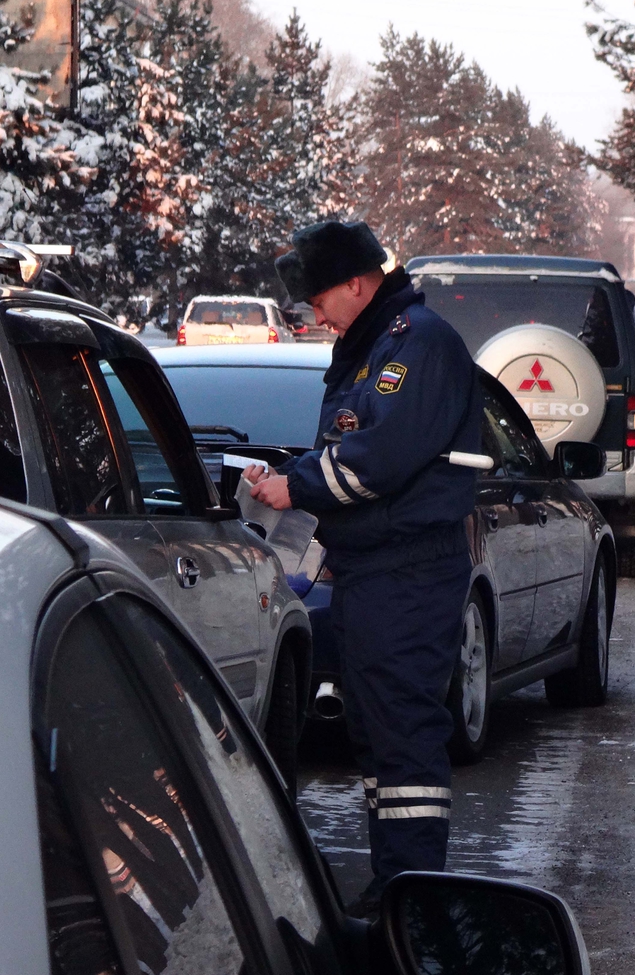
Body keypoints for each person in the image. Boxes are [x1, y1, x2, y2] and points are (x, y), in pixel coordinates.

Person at [244, 220, 481, 914]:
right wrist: (287, 474)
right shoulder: (372, 341)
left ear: (356, 281)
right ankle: (396, 885)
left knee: (402, 738)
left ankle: (412, 898)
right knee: (377, 735)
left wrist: (299, 485)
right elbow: (348, 444)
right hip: (373, 570)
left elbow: (380, 455)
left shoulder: (414, 343)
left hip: (406, 570)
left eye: (319, 299)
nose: (314, 316)